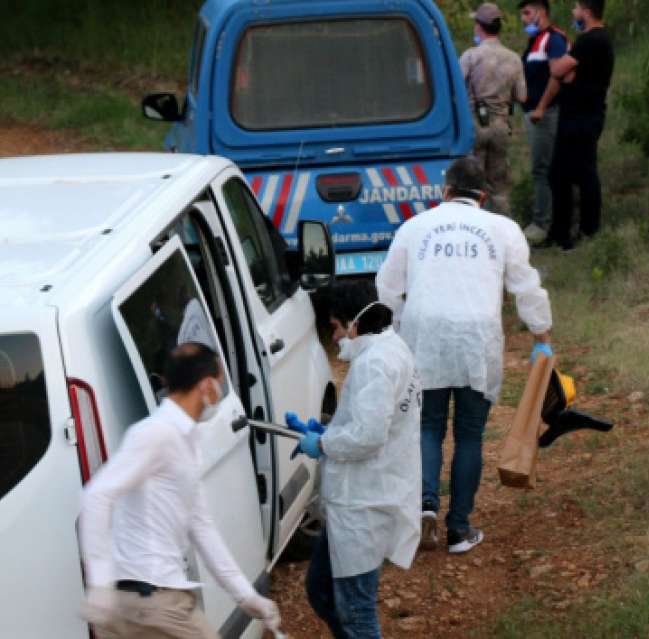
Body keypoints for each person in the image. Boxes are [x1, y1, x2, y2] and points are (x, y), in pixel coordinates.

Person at [375, 157, 553, 555]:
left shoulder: (415, 227)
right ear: (483, 196)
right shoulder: (503, 229)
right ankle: (459, 529)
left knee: (428, 428)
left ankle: (423, 506)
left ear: (445, 191)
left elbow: (386, 287)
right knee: (469, 435)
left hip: (425, 336)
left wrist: (396, 328)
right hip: (478, 337)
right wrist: (541, 333)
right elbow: (526, 287)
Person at [79, 343, 281, 639]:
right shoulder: (156, 433)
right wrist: (98, 582)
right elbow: (98, 495)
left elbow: (201, 527)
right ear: (206, 385)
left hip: (142, 602)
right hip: (154, 604)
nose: (220, 392)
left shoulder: (184, 439)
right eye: (220, 383)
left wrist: (247, 597)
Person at [289, 280, 421, 639]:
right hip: (364, 497)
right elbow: (373, 419)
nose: (334, 337)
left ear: (354, 322)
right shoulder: (390, 349)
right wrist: (329, 428)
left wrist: (324, 444)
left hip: (364, 505)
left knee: (356, 610)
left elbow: (368, 436)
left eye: (334, 326)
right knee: (321, 591)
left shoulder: (374, 365)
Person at [546, 0, 615, 252]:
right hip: (583, 116)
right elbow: (568, 72)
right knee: (564, 174)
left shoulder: (591, 40)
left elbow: (558, 68)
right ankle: (563, 232)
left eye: (576, 8)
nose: (573, 13)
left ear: (587, 11)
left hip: (581, 118)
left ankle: (586, 230)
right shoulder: (598, 41)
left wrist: (561, 69)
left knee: (580, 174)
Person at [460, 2, 529, 217]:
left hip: (474, 125)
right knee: (499, 185)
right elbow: (522, 96)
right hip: (501, 126)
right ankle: (503, 227)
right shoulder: (514, 58)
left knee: (472, 181)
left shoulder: (470, 56)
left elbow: (457, 90)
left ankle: (474, 225)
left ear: (479, 26)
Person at [519, 0, 570, 245]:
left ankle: (542, 224)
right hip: (534, 114)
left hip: (546, 114)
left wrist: (541, 107)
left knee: (543, 169)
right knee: (541, 168)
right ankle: (544, 221)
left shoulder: (554, 39)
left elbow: (558, 75)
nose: (523, 18)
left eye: (527, 13)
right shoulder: (535, 41)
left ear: (541, 12)